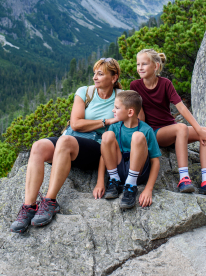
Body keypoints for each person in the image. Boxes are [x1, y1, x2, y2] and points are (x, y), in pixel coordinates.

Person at [10, 58, 122, 233]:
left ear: (114, 78)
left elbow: (133, 119)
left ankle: (49, 201)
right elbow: (76, 124)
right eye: (94, 73)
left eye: (100, 74)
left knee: (64, 141)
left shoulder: (120, 97)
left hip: (95, 147)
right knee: (38, 146)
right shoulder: (85, 92)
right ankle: (29, 206)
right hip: (71, 139)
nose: (95, 77)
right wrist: (106, 121)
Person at [129, 49, 206, 196]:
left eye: (144, 64)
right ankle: (184, 178)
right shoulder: (135, 86)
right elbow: (139, 115)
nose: (140, 67)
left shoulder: (165, 83)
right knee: (181, 128)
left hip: (175, 131)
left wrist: (199, 130)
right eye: (138, 64)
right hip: (156, 133)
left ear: (156, 66)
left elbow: (181, 108)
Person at [100, 90, 161, 209]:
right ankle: (114, 181)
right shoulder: (114, 127)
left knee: (137, 136)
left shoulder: (146, 130)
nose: (113, 110)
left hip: (138, 173)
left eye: (117, 108)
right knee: (106, 136)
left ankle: (130, 186)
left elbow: (155, 161)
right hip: (118, 169)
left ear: (130, 112)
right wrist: (100, 182)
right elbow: (104, 155)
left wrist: (148, 189)